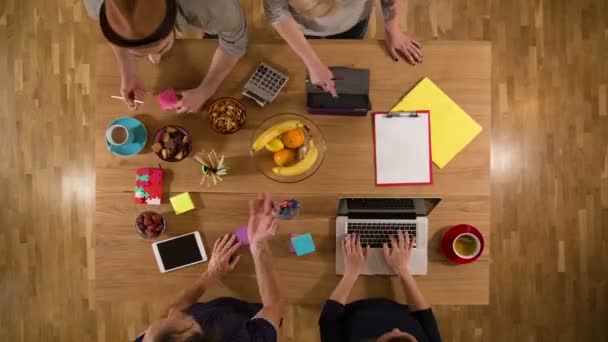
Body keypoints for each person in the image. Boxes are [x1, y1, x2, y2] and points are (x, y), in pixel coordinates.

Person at [136, 193, 284, 342]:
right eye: (185, 327)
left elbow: (165, 321)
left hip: (221, 310)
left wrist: (210, 275)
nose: (173, 310)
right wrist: (259, 245)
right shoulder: (252, 338)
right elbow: (274, 305)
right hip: (248, 316)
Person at [84, 0, 247, 112]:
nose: (154, 59)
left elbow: (234, 44)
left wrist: (206, 90)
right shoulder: (97, 4)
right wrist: (128, 73)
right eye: (135, 52)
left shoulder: (211, 7)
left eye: (161, 50)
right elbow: (114, 35)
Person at [264, 0, 423, 96]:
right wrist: (313, 64)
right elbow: (277, 13)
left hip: (353, 22)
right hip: (301, 29)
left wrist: (393, 28)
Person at [319, 232, 441, 342]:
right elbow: (424, 315)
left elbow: (328, 319)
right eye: (407, 336)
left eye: (390, 336)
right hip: (398, 304)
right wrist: (403, 270)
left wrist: (351, 272)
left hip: (351, 306)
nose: (396, 329)